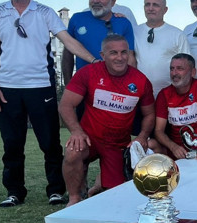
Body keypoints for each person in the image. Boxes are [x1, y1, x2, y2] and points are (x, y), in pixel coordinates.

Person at [0, 0, 99, 207]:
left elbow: (68, 41)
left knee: (49, 143)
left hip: (41, 87)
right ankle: (14, 192)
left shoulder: (45, 13)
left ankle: (55, 190)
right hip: (7, 89)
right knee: (12, 144)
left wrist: (94, 60)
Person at [59, 34, 155, 206]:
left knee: (116, 198)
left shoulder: (140, 80)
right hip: (90, 139)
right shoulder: (87, 73)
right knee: (73, 151)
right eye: (113, 53)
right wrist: (76, 131)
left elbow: (149, 114)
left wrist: (142, 136)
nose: (120, 57)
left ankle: (99, 183)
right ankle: (74, 198)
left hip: (116, 144)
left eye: (124, 52)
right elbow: (65, 105)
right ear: (103, 56)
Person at [153, 53, 197, 160]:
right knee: (150, 145)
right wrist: (173, 147)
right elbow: (158, 131)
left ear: (193, 72)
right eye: (172, 69)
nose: (174, 73)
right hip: (179, 155)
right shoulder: (164, 94)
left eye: (179, 69)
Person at [62, 0, 136, 82]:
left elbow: (130, 58)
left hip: (115, 86)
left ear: (113, 1)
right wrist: (68, 83)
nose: (96, 0)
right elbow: (68, 54)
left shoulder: (123, 23)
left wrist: (131, 84)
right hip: (84, 86)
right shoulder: (77, 19)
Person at [134, 0, 188, 97]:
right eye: (147, 4)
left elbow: (186, 67)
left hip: (169, 96)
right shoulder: (134, 32)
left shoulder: (177, 34)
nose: (150, 8)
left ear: (165, 10)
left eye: (155, 5)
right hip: (140, 95)